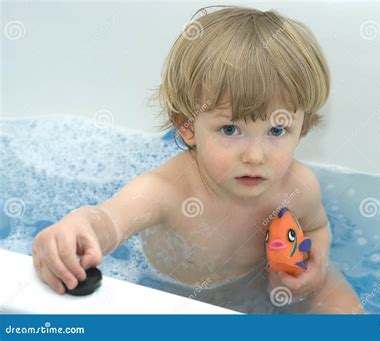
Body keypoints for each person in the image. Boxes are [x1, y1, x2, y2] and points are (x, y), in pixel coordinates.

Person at [32, 5, 362, 313]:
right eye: (230, 129)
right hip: (170, 293)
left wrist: (316, 260)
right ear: (187, 127)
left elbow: (317, 226)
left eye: (277, 131)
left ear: (303, 129)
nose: (255, 156)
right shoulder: (167, 191)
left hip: (263, 283)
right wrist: (79, 227)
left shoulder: (299, 187)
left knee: (343, 304)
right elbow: (108, 221)